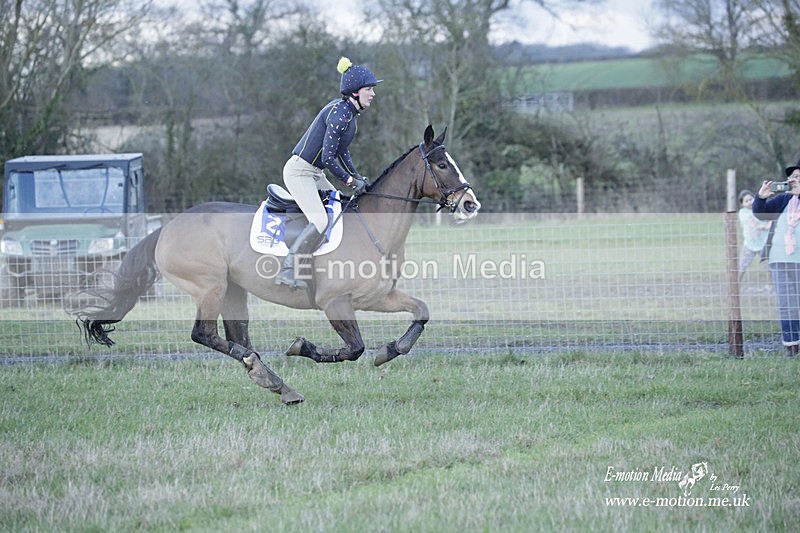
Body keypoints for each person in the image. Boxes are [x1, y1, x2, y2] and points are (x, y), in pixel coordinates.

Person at [275, 57, 382, 289]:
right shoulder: (340, 114)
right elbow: (328, 158)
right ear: (355, 93)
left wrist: (358, 176)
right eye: (369, 89)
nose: (373, 94)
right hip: (299, 172)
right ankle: (287, 270)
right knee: (321, 220)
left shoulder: (349, 115)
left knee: (339, 209)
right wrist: (350, 180)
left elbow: (342, 152)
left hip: (314, 172)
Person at [752, 158, 800, 356]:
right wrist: (760, 198)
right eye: (792, 177)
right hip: (780, 260)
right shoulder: (784, 200)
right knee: (786, 304)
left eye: (798, 177)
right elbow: (761, 214)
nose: (794, 180)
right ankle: (792, 346)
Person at [737, 189, 771, 280]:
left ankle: (776, 285)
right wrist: (761, 225)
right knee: (742, 266)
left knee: (770, 267)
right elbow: (750, 220)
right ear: (742, 204)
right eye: (746, 201)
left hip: (763, 244)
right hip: (749, 244)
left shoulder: (762, 208)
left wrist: (768, 224)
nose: (749, 202)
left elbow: (772, 217)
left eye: (751, 199)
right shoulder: (742, 213)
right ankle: (735, 286)